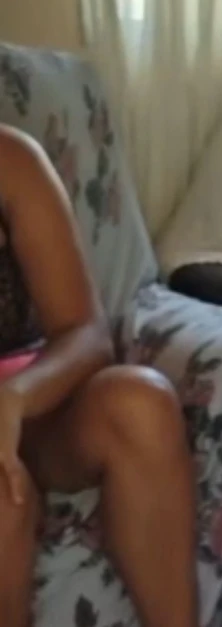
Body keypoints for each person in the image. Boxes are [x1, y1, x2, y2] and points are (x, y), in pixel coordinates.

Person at [0, 124, 199, 627]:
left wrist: (16, 399)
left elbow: (85, 335)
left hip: (34, 410)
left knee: (140, 404)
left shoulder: (11, 159)